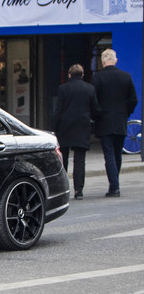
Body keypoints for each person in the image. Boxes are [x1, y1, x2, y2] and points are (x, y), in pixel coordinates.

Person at [92, 49, 138, 198]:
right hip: (120, 120)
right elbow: (133, 99)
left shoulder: (97, 77)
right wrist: (126, 112)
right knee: (117, 154)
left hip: (104, 121)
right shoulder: (126, 76)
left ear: (103, 61)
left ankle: (114, 186)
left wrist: (97, 114)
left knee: (109, 154)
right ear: (115, 60)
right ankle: (114, 183)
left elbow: (94, 100)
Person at [53, 64, 101, 200]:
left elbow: (58, 111)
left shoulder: (63, 89)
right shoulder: (90, 89)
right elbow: (95, 109)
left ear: (69, 75)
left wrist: (54, 128)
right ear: (82, 74)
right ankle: (78, 191)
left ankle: (63, 188)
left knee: (64, 159)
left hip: (65, 127)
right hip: (82, 127)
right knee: (80, 160)